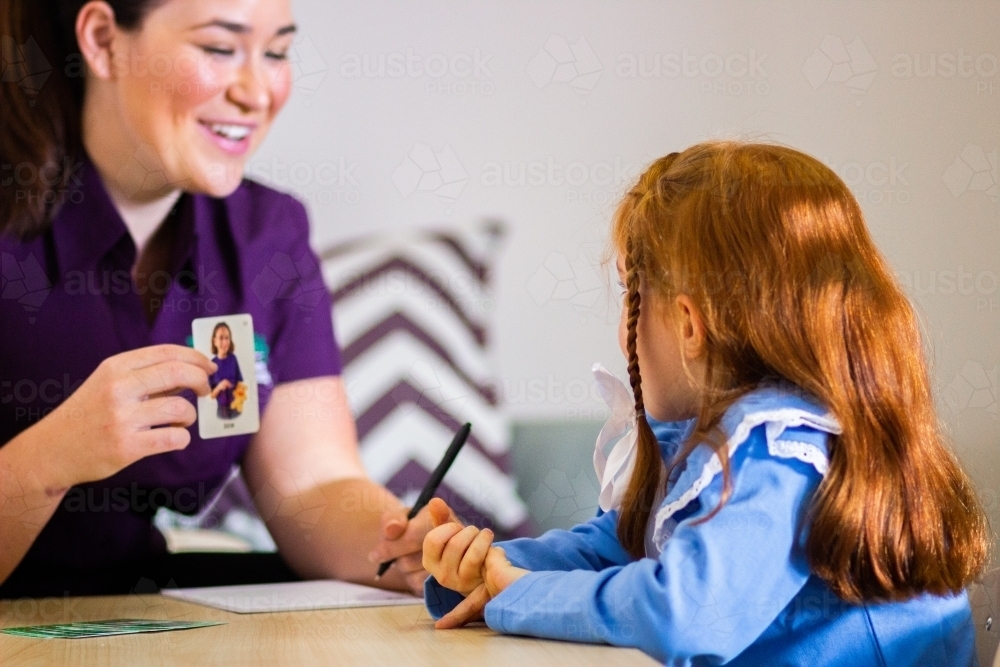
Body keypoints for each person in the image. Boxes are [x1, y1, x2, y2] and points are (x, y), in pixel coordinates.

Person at [419, 142, 988, 665]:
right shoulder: (715, 439)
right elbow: (621, 544)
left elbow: (687, 612)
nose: (622, 325)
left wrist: (521, 594)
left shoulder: (782, 450)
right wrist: (486, 570)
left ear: (690, 325)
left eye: (629, 294)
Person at [0, 0, 438, 597]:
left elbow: (312, 486)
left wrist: (407, 545)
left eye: (277, 52)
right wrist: (53, 457)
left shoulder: (268, 236)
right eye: (219, 48)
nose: (258, 92)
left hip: (145, 618)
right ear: (103, 41)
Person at [207, 322, 243, 419]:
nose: (224, 342)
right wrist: (220, 386)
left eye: (227, 338)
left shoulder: (233, 359)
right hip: (221, 412)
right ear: (215, 341)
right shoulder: (211, 364)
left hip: (236, 409)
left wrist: (239, 394)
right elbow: (211, 395)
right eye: (221, 338)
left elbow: (240, 382)